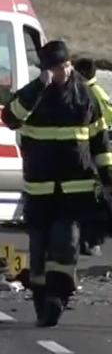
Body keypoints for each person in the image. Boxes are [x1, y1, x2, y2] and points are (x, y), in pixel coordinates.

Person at [2, 40, 112, 327]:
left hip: (75, 190)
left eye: (64, 66)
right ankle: (42, 300)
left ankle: (57, 299)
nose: (61, 72)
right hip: (40, 190)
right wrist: (38, 87)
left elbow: (100, 141)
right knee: (38, 254)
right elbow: (10, 117)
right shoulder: (33, 96)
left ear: (69, 65)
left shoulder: (84, 97)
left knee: (66, 245)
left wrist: (108, 177)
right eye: (54, 68)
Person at [74, 57, 112, 255]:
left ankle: (91, 241)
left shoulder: (89, 94)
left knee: (94, 199)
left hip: (94, 148)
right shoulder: (96, 92)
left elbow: (102, 122)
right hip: (95, 147)